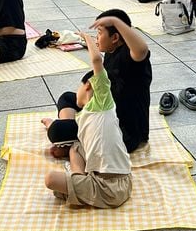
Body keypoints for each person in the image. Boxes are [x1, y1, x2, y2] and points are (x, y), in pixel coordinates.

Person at [43, 31, 132, 209]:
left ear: (88, 85)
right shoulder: (86, 115)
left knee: (51, 179)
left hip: (109, 188)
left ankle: (79, 186)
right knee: (76, 148)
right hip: (120, 180)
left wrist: (87, 38)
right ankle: (79, 184)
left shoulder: (102, 103)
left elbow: (97, 61)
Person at [44, 9, 151, 154]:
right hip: (105, 115)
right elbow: (97, 61)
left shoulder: (131, 57)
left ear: (115, 37)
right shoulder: (111, 51)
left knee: (56, 130)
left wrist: (115, 22)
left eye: (100, 33)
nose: (97, 38)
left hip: (124, 133)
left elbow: (142, 49)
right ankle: (70, 135)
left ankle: (68, 138)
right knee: (67, 97)